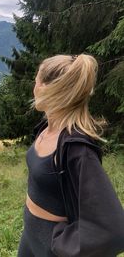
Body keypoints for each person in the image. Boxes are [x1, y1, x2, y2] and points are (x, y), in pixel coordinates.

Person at [17, 54, 124, 257]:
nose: (34, 87)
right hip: (30, 237)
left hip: (51, 248)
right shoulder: (45, 130)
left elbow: (114, 230)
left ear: (52, 88)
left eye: (37, 81)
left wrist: (58, 240)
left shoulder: (76, 148)